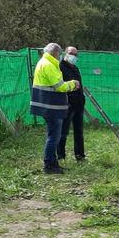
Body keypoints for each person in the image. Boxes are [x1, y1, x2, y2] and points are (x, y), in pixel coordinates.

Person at [30, 43, 80, 174]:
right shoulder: (49, 65)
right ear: (56, 53)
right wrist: (73, 84)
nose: (61, 56)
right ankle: (49, 165)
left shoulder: (43, 62)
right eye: (60, 53)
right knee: (54, 137)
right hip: (51, 106)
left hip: (48, 105)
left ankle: (53, 162)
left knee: (53, 135)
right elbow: (60, 86)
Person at [57, 46, 85, 162]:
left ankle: (80, 155)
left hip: (79, 104)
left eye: (75, 54)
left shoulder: (75, 68)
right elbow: (59, 86)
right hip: (67, 105)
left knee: (79, 132)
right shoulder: (60, 67)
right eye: (71, 53)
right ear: (65, 53)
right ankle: (61, 156)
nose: (73, 56)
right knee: (63, 132)